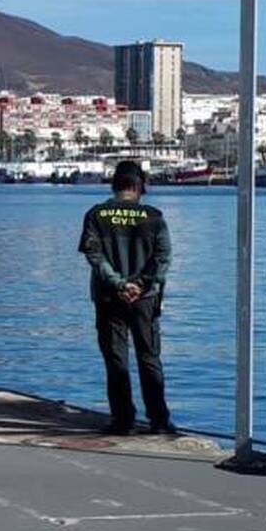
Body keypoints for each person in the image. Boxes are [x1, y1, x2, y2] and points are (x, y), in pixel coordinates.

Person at [78, 160, 175, 436]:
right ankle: (158, 420)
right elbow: (163, 257)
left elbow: (94, 256)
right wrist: (141, 285)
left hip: (109, 298)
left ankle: (123, 420)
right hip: (146, 299)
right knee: (149, 358)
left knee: (116, 359)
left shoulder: (96, 215)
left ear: (114, 184)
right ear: (140, 185)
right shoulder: (154, 217)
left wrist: (119, 284)